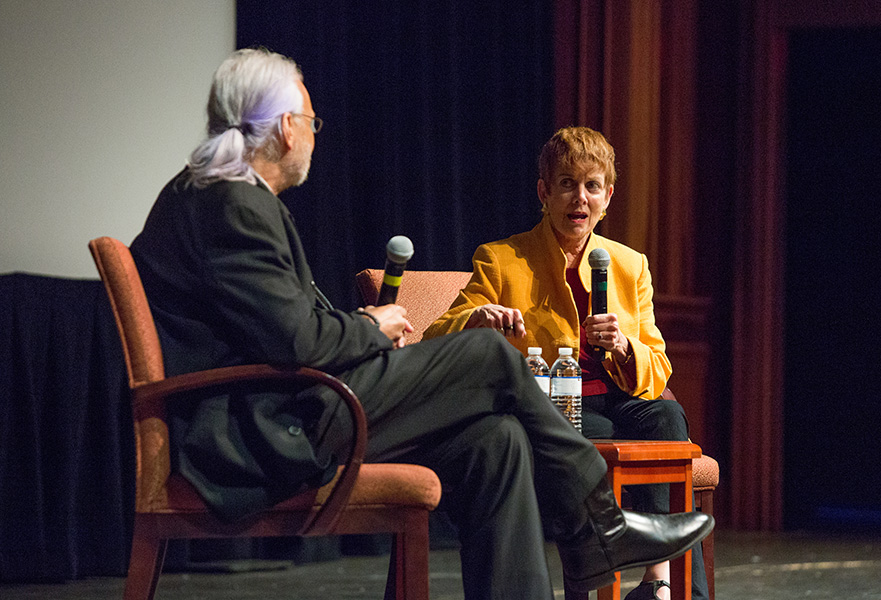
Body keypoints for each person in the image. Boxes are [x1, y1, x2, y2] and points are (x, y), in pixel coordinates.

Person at [129, 48, 713, 600]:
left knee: (496, 441)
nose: (312, 134)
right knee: (488, 354)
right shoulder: (233, 204)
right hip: (265, 428)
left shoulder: (215, 196)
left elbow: (280, 325)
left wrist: (350, 323)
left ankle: (587, 538)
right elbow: (295, 341)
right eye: (311, 120)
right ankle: (597, 525)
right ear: (285, 127)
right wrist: (372, 327)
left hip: (285, 405)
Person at [423, 126, 709, 600]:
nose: (580, 197)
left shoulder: (629, 264)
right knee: (584, 431)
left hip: (620, 397)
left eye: (592, 185)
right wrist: (477, 319)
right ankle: (601, 566)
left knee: (666, 415)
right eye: (566, 183)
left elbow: (658, 367)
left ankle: (662, 585)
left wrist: (622, 346)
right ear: (544, 191)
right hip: (556, 406)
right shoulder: (501, 259)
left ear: (608, 196)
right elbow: (437, 332)